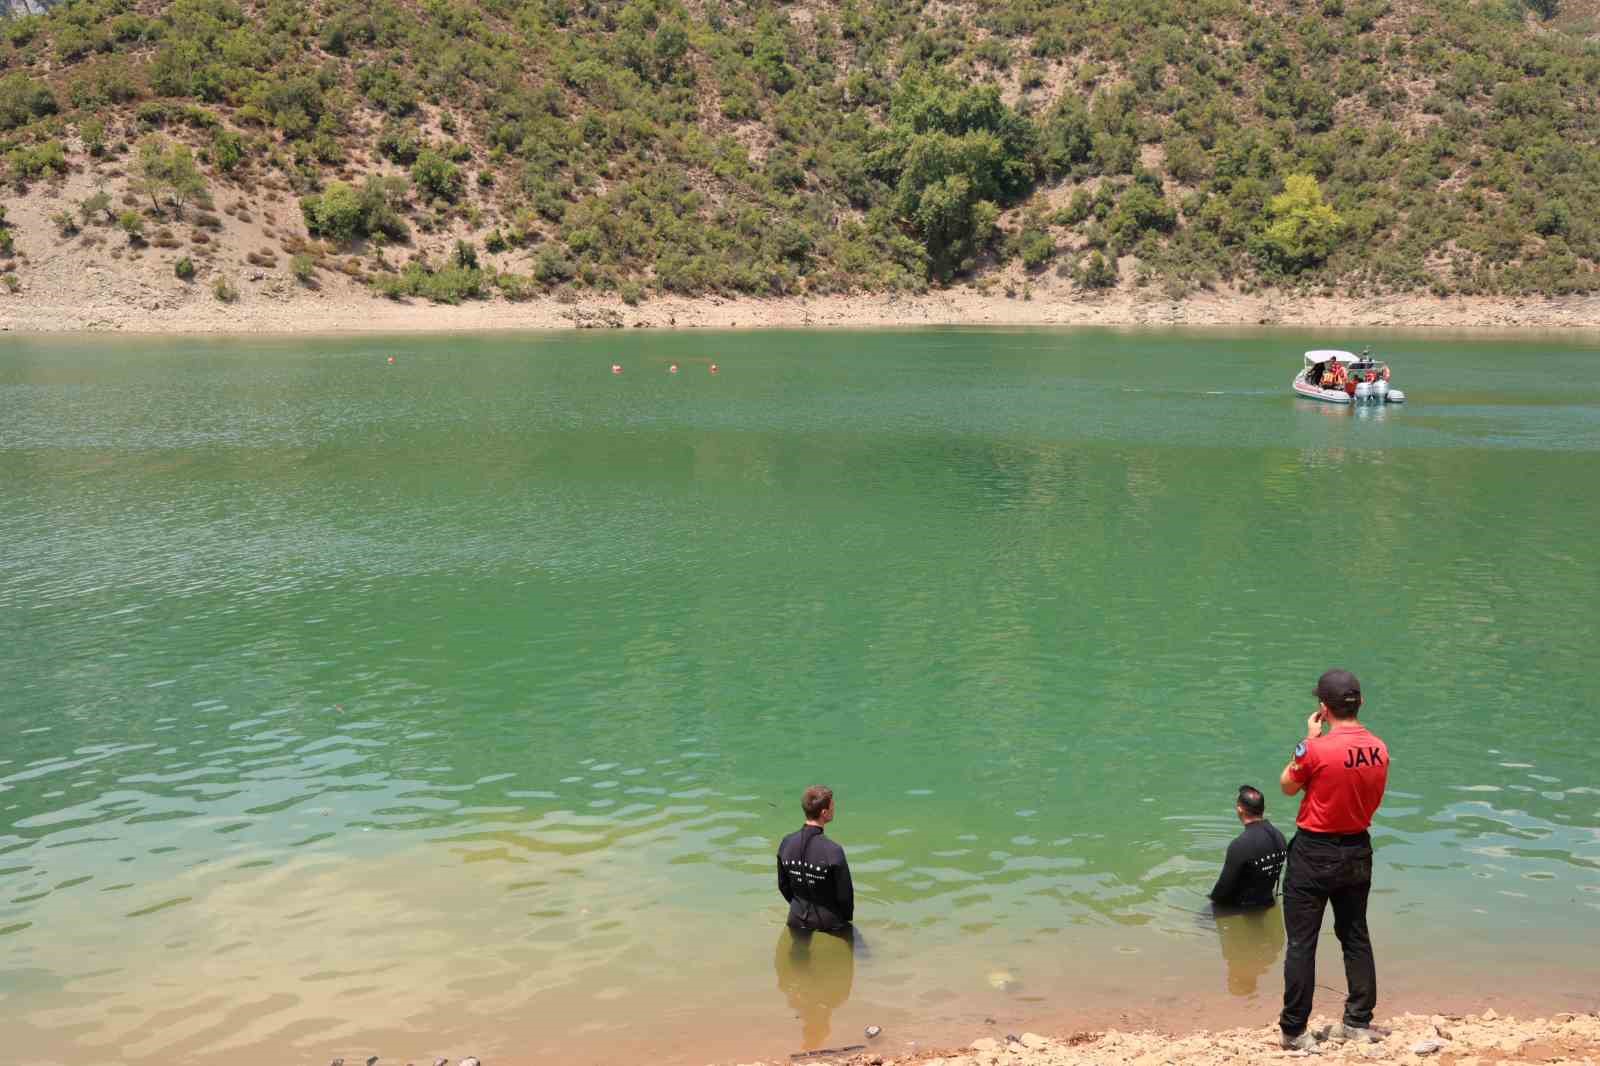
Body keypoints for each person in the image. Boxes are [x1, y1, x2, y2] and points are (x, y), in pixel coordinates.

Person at [1276, 669, 1390, 1051]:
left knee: (1301, 943)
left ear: (1323, 709)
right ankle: (1358, 1020)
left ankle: (1294, 1030)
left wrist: (1307, 740)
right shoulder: (1379, 748)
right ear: (1361, 703)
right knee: (1355, 934)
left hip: (1314, 852)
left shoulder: (1316, 748)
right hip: (1358, 848)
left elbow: (1287, 786)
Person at [778, 785, 855, 934]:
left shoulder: (786, 842)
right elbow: (845, 896)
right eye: (833, 807)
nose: (834, 810)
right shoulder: (833, 851)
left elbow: (783, 885)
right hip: (830, 924)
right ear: (824, 813)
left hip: (795, 919)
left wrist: (797, 906)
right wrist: (845, 921)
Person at [1208, 785, 1287, 908]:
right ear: (1264, 809)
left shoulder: (1240, 845)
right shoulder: (1279, 836)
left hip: (1241, 909)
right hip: (1267, 904)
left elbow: (1221, 892)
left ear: (1240, 809)